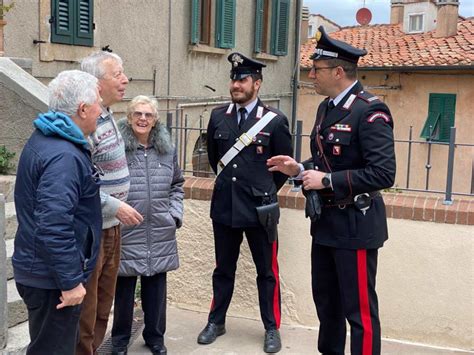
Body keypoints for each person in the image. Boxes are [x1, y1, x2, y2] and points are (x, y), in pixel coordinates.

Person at [267, 26, 396, 355]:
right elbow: (330, 160)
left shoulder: (370, 111)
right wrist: (299, 169)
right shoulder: (327, 107)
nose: (311, 74)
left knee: (359, 312)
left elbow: (383, 173)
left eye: (317, 69)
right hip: (325, 224)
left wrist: (326, 182)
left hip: (355, 223)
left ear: (339, 71)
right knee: (327, 305)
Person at [197, 52, 293, 353]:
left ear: (257, 84)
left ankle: (271, 327)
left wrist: (262, 189)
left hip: (260, 209)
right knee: (223, 269)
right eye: (233, 79)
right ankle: (217, 320)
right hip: (225, 206)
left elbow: (282, 168)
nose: (236, 84)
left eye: (243, 79)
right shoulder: (217, 117)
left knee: (267, 272)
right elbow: (215, 159)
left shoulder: (275, 121)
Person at [12, 70, 103, 355]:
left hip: (43, 272)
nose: (102, 110)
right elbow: (53, 223)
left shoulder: (49, 137)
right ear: (83, 108)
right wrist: (70, 282)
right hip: (52, 279)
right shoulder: (63, 154)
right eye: (99, 103)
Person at [77, 51, 144, 355]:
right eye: (117, 74)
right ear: (96, 83)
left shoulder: (107, 115)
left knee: (104, 306)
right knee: (87, 313)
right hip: (93, 231)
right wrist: (114, 206)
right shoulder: (86, 122)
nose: (125, 79)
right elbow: (80, 182)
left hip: (112, 229)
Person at [111, 95, 184, 355]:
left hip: (160, 229)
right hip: (127, 229)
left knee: (156, 290)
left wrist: (174, 214)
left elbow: (177, 184)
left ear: (155, 121)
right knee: (124, 291)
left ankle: (155, 338)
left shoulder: (167, 150)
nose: (143, 119)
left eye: (148, 115)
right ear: (129, 118)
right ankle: (119, 340)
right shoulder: (116, 148)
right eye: (138, 114)